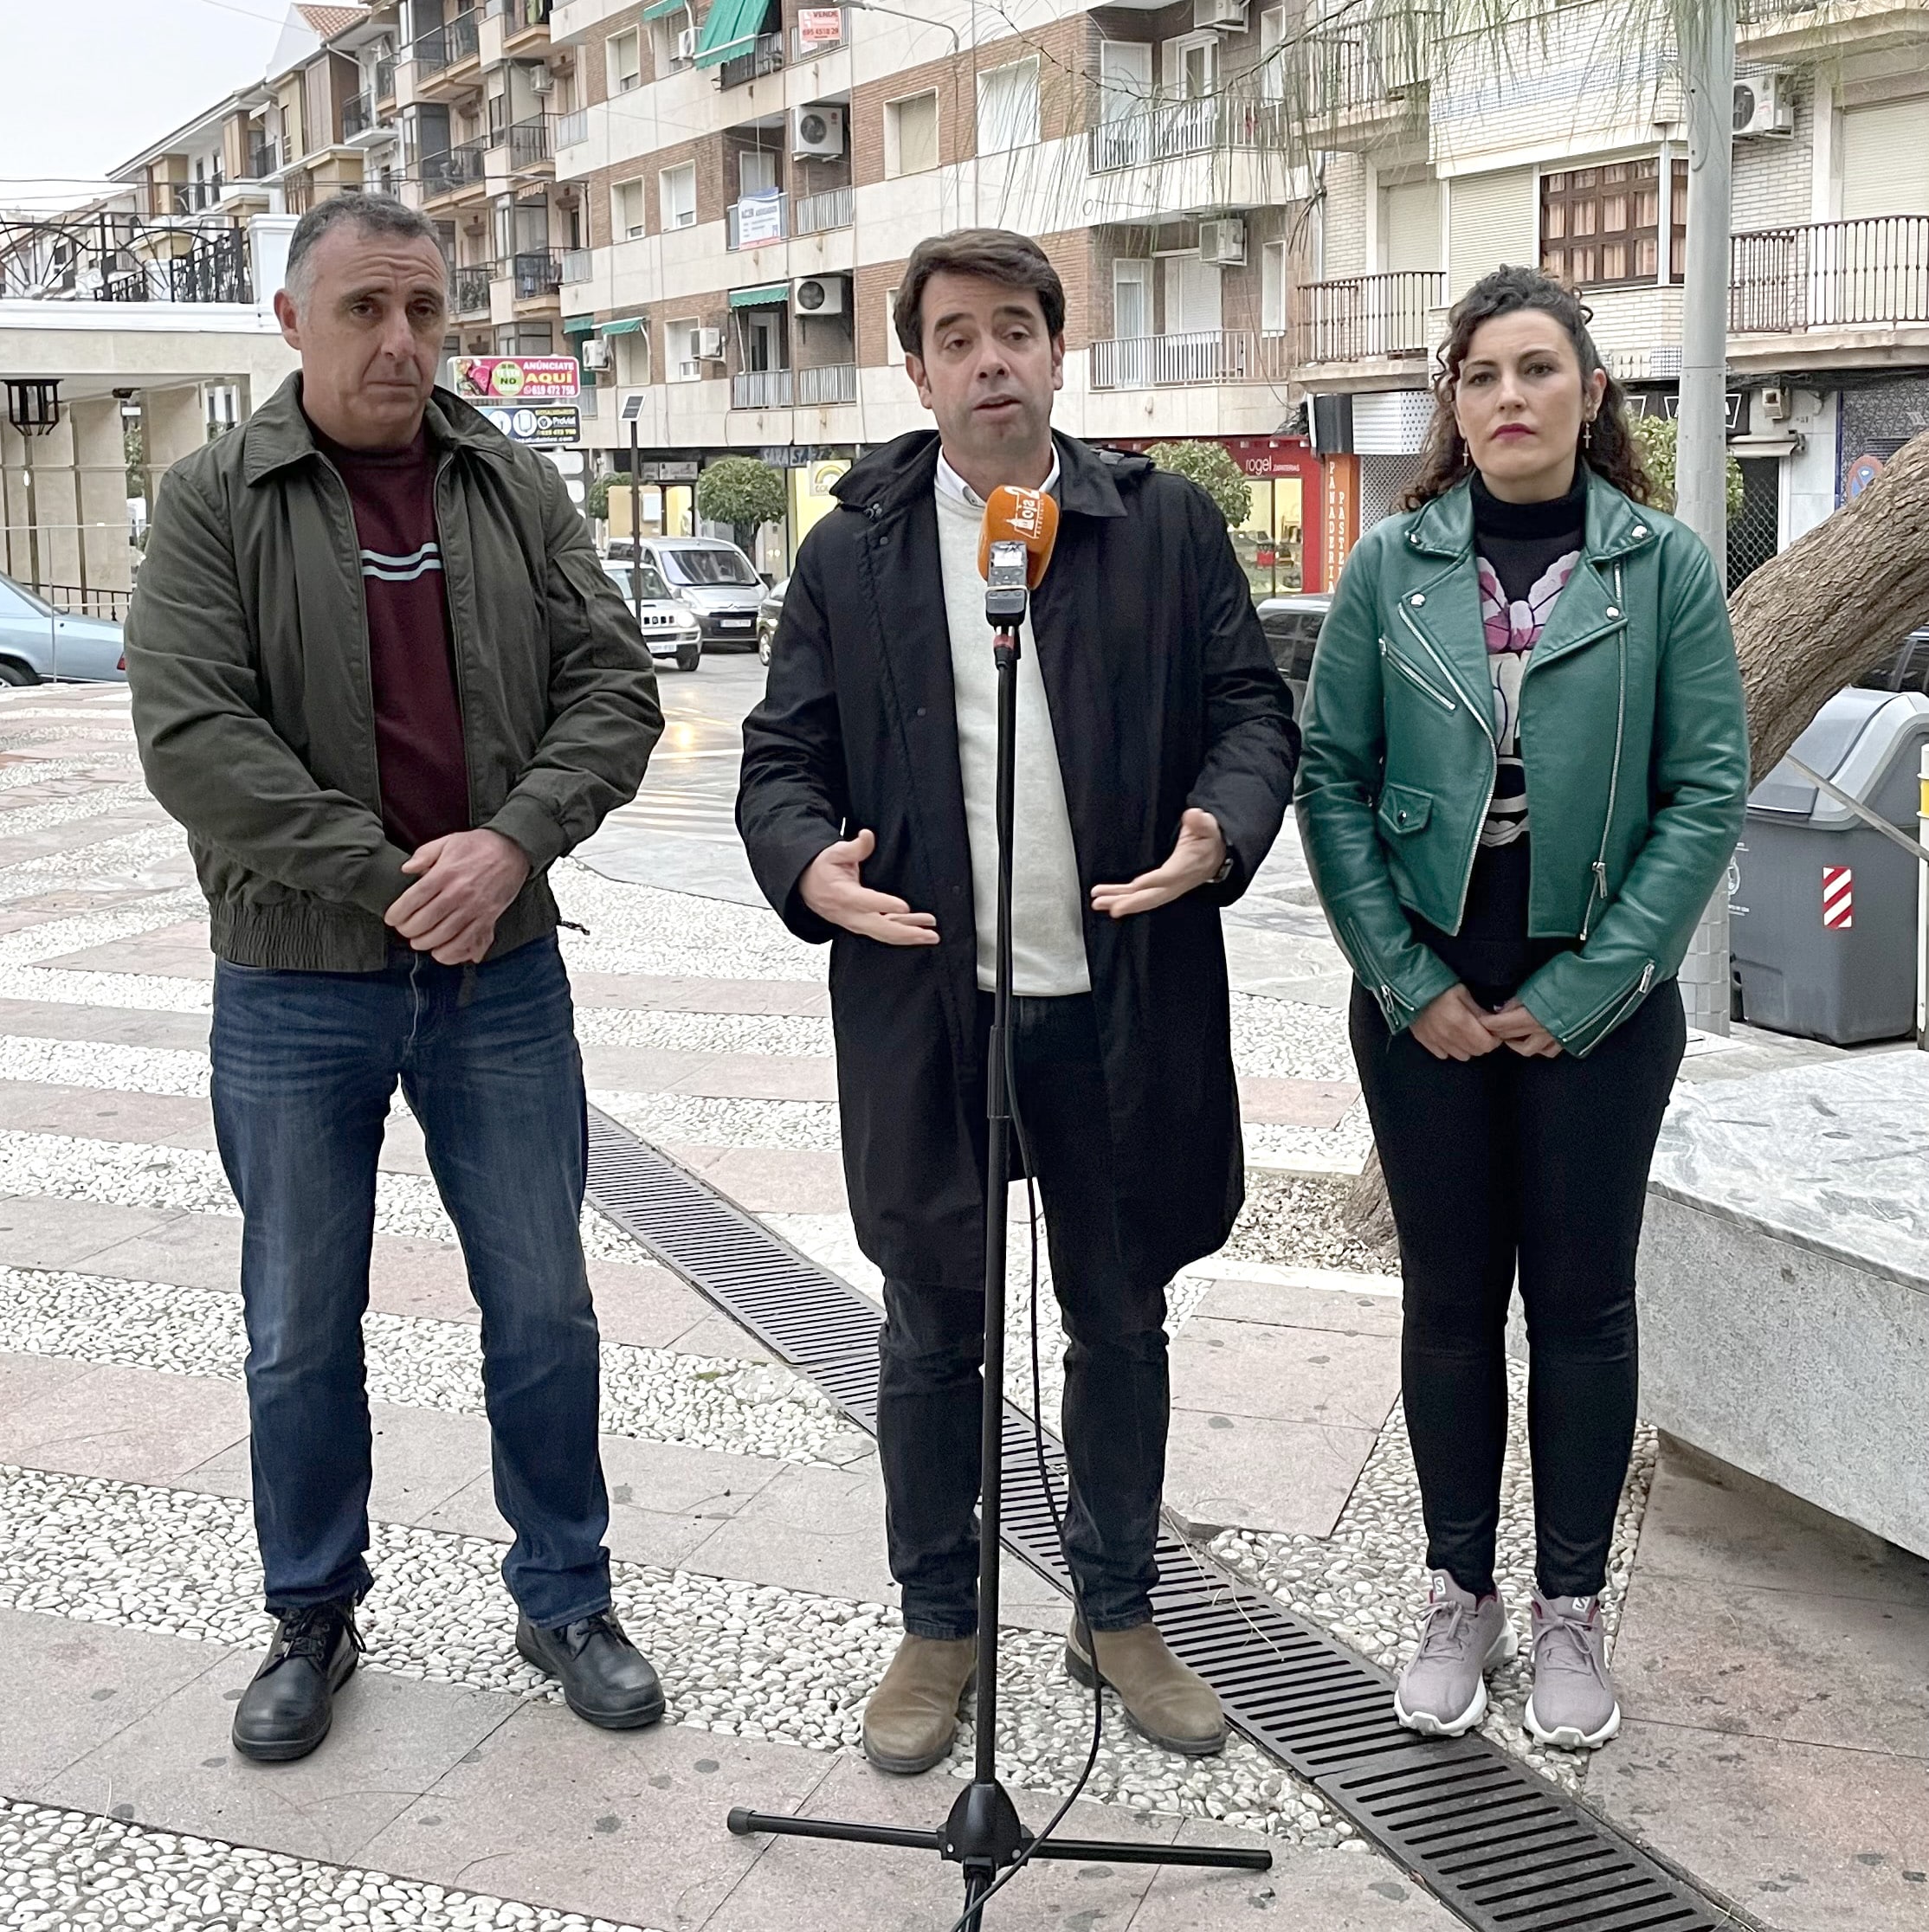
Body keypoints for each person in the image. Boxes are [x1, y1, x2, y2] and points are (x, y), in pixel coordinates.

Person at [738, 229, 1298, 1774]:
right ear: (914, 373)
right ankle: (938, 1621)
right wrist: (810, 871)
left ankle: (1118, 1608)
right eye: (956, 338)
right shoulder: (849, 552)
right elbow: (779, 761)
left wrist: (1219, 829)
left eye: (1015, 332)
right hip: (932, 1013)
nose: (990, 360)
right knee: (932, 1329)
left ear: (1060, 354)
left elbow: (1254, 708)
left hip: (1119, 1000)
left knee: (1121, 1320)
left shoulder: (1166, 526)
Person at [125, 194, 668, 1763]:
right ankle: (309, 1612)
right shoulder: (216, 499)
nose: (402, 343)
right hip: (298, 982)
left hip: (502, 977)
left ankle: (566, 1595)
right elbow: (195, 741)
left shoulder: (508, 479)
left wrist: (508, 848)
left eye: (425, 312)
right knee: (299, 1322)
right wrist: (395, 878)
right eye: (365, 310)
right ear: (291, 321)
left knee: (546, 1308)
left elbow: (615, 686)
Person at [1297, 265, 1748, 1750]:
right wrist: (1408, 979)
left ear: (1591, 394)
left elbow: (1704, 791)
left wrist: (1588, 988)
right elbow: (1334, 783)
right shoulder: (1390, 565)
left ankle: (1567, 1610)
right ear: (1453, 403)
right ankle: (1456, 1592)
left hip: (1596, 1012)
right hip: (1423, 997)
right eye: (1481, 373)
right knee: (1446, 1306)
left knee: (1583, 1308)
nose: (1509, 397)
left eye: (1537, 369)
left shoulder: (1663, 566)